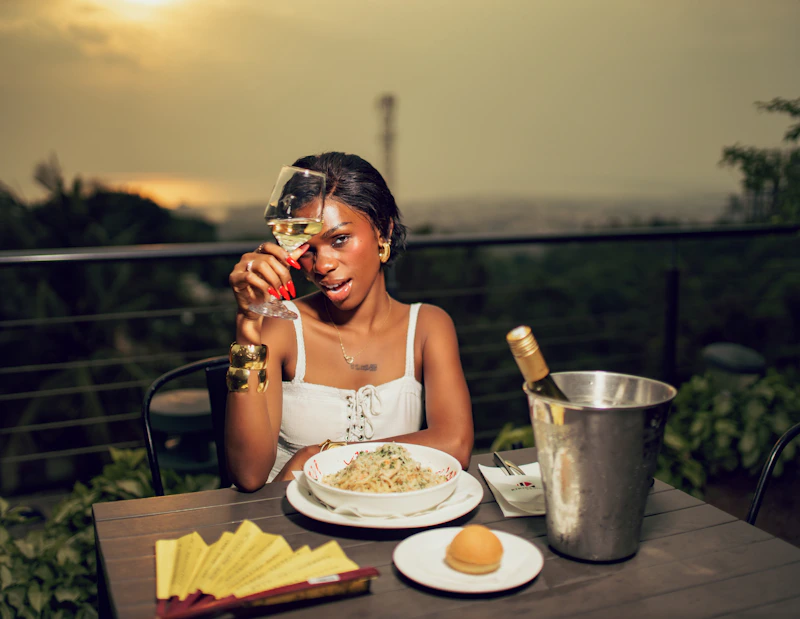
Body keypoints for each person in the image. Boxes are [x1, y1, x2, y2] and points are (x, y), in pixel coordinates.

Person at [225, 152, 474, 490]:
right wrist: (247, 328)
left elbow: (455, 446)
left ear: (382, 231)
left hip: (391, 522)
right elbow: (249, 477)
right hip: (291, 527)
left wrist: (322, 455)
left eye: (339, 239)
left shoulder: (428, 327)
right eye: (307, 249)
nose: (322, 265)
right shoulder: (282, 328)